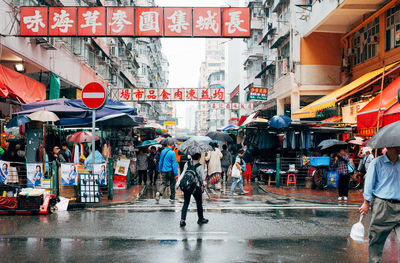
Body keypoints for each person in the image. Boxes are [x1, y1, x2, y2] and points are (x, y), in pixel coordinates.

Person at [359, 147, 400, 263]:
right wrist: (366, 202)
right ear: (389, 146)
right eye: (397, 146)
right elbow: (369, 183)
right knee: (376, 240)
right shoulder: (377, 162)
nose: (399, 148)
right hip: (383, 206)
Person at [176, 153, 208, 227]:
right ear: (199, 157)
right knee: (199, 203)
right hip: (196, 187)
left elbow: (183, 173)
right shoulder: (199, 166)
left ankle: (182, 220)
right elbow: (202, 178)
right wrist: (203, 185)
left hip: (187, 186)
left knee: (186, 203)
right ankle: (200, 219)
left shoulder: (187, 164)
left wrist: (178, 183)